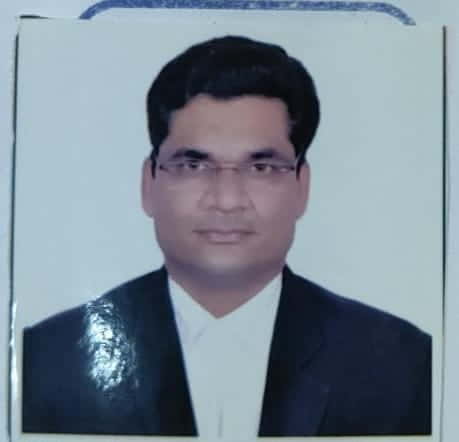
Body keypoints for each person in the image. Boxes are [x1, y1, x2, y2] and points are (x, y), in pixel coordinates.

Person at [22, 35, 431, 437]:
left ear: (302, 187)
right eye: (193, 165)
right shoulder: (49, 359)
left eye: (261, 167)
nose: (227, 200)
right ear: (148, 183)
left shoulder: (400, 362)